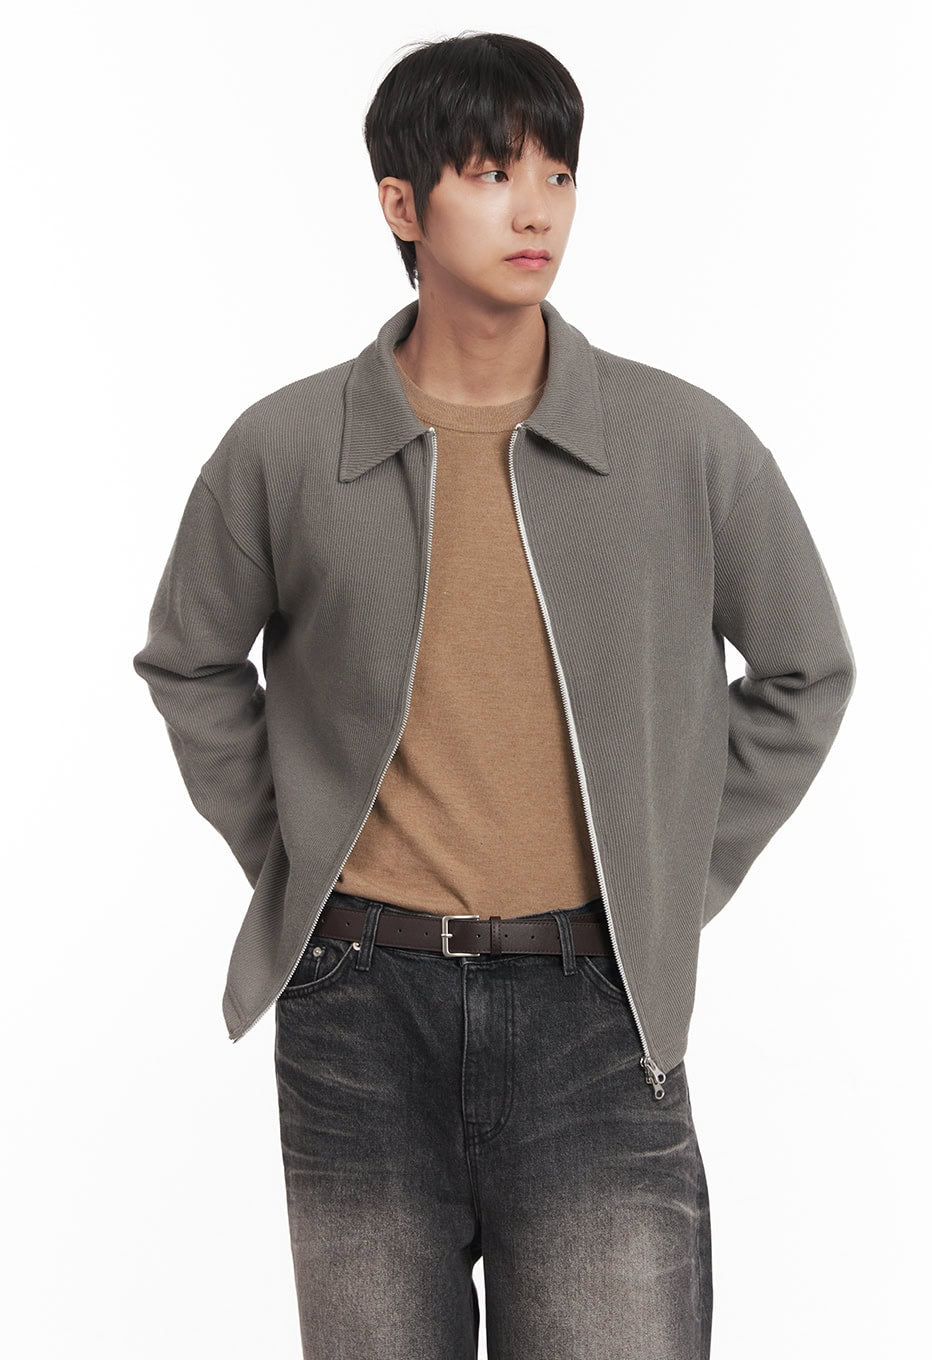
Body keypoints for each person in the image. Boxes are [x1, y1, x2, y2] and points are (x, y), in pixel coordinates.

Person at [133, 30, 857, 1360]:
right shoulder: (288, 448)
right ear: (401, 205)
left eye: (558, 174)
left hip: (598, 1009)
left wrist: (665, 872)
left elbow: (806, 670)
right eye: (489, 172)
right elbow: (191, 659)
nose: (536, 210)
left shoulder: (680, 442)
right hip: (359, 1010)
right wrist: (297, 856)